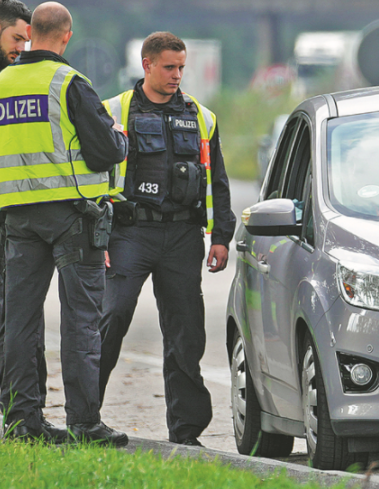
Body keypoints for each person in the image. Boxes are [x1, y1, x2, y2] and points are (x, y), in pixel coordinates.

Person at [0, 1, 129, 445]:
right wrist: (119, 136)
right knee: (81, 319)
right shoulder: (69, 83)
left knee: (20, 323)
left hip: (17, 217)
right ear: (65, 35)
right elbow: (105, 151)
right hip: (71, 215)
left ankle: (22, 424)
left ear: (30, 34)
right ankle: (84, 423)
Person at [98, 32, 235, 447]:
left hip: (182, 234)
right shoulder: (113, 111)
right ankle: (84, 417)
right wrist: (98, 237)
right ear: (147, 65)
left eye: (181, 67)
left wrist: (221, 236)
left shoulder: (201, 116)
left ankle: (186, 433)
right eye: (169, 67)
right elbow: (95, 178)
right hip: (129, 232)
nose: (177, 75)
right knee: (112, 317)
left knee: (185, 331)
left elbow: (218, 182)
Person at [0, 0, 63, 438]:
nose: (23, 47)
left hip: (4, 209)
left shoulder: (2, 76)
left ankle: (24, 419)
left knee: (15, 317)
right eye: (16, 38)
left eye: (27, 39)